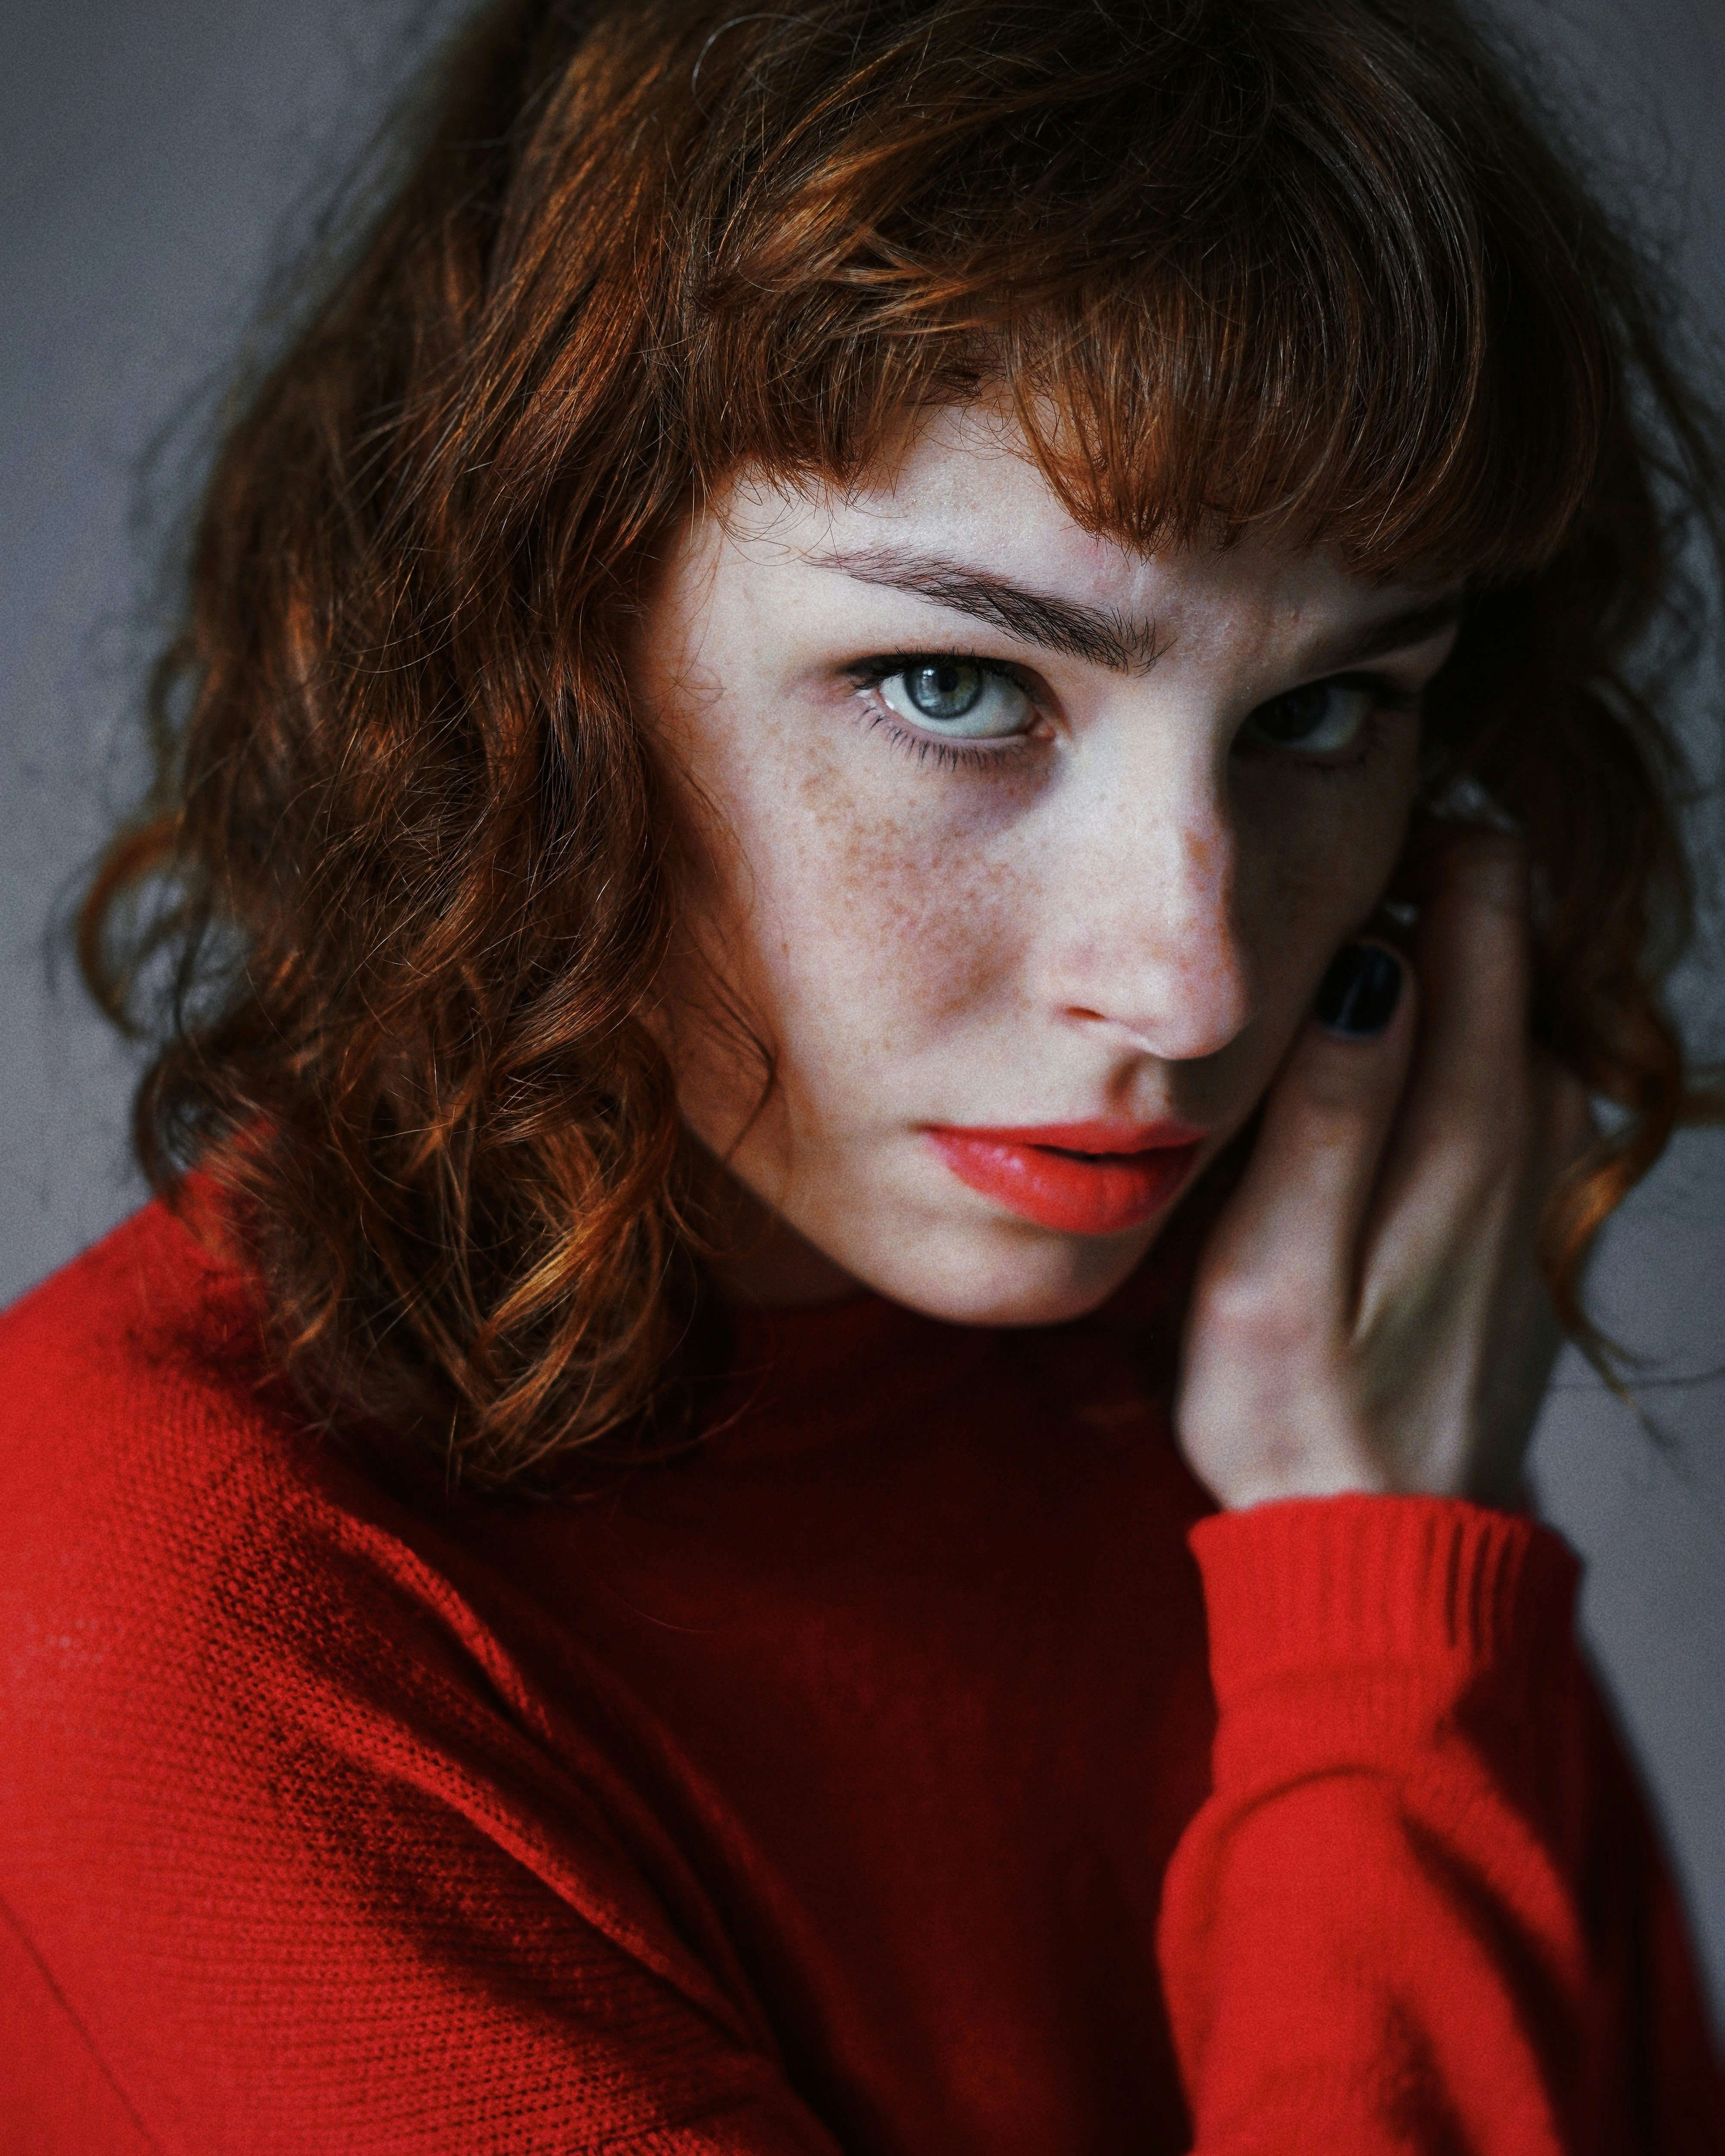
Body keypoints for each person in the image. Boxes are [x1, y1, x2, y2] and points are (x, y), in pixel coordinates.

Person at [2, 0, 1722, 2145]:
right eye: (953, 682)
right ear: (539, 642)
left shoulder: (1301, 1367)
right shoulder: (178, 1581)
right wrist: (1373, 1631)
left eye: (1321, 716)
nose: (1185, 989)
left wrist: (1367, 1552)